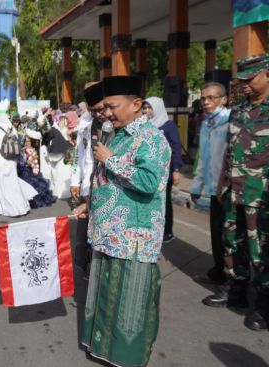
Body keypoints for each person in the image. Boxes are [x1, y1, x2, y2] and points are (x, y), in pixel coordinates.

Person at [75, 76, 171, 367]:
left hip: (134, 234)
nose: (108, 113)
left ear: (137, 104)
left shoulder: (152, 139)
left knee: (130, 300)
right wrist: (89, 204)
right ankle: (102, 348)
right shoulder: (116, 134)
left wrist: (110, 159)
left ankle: (127, 357)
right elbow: (105, 179)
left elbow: (148, 181)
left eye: (112, 106)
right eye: (105, 108)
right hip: (108, 231)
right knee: (106, 292)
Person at [204, 55, 269, 331]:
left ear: (267, 74)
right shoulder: (239, 109)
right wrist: (221, 183)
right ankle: (236, 288)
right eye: (241, 80)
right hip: (233, 189)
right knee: (232, 241)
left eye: (250, 79)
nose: (244, 85)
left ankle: (266, 301)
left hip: (263, 194)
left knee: (262, 247)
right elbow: (231, 150)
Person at [190, 82, 230, 284]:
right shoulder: (206, 124)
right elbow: (203, 158)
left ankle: (233, 279)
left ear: (224, 99)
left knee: (229, 237)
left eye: (211, 98)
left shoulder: (231, 121)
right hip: (214, 189)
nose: (206, 102)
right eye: (204, 98)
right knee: (216, 234)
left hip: (230, 190)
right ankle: (218, 271)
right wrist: (197, 185)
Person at [71, 83, 103, 275]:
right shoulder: (85, 124)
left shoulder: (111, 125)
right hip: (87, 185)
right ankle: (85, 265)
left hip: (104, 185)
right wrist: (76, 180)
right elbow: (79, 153)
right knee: (84, 229)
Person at [0, 99, 38, 217]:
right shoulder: (11, 127)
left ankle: (4, 208)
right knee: (12, 182)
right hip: (11, 159)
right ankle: (21, 206)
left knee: (0, 184)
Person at [143, 97, 183, 243]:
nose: (147, 111)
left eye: (150, 108)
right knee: (151, 202)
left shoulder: (168, 125)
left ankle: (167, 232)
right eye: (145, 108)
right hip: (149, 171)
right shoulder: (145, 125)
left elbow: (176, 148)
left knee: (164, 202)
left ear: (158, 108)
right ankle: (153, 229)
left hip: (165, 172)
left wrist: (176, 169)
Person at [17, 132, 55, 208]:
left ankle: (33, 201)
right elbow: (21, 160)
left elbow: (34, 161)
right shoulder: (23, 150)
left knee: (35, 184)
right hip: (24, 169)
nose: (27, 143)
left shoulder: (34, 150)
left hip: (31, 170)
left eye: (29, 141)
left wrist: (29, 162)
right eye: (26, 141)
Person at [47, 113, 74, 199]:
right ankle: (63, 191)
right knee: (63, 172)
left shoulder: (65, 129)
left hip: (66, 152)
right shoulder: (62, 129)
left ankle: (63, 191)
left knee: (64, 172)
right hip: (65, 152)